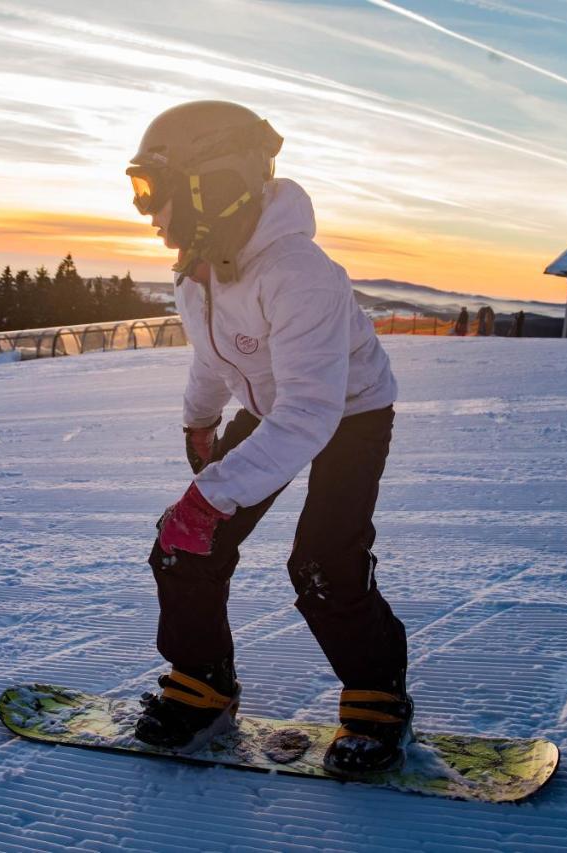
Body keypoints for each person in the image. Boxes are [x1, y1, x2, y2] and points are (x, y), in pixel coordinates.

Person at [124, 100, 411, 775]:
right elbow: (214, 356)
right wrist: (199, 418)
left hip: (347, 408)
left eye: (151, 190)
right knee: (181, 543)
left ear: (208, 187)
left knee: (323, 562)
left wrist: (215, 490)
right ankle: (204, 685)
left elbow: (311, 415)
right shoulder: (200, 269)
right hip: (277, 401)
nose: (147, 212)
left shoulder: (296, 272)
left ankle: (377, 698)